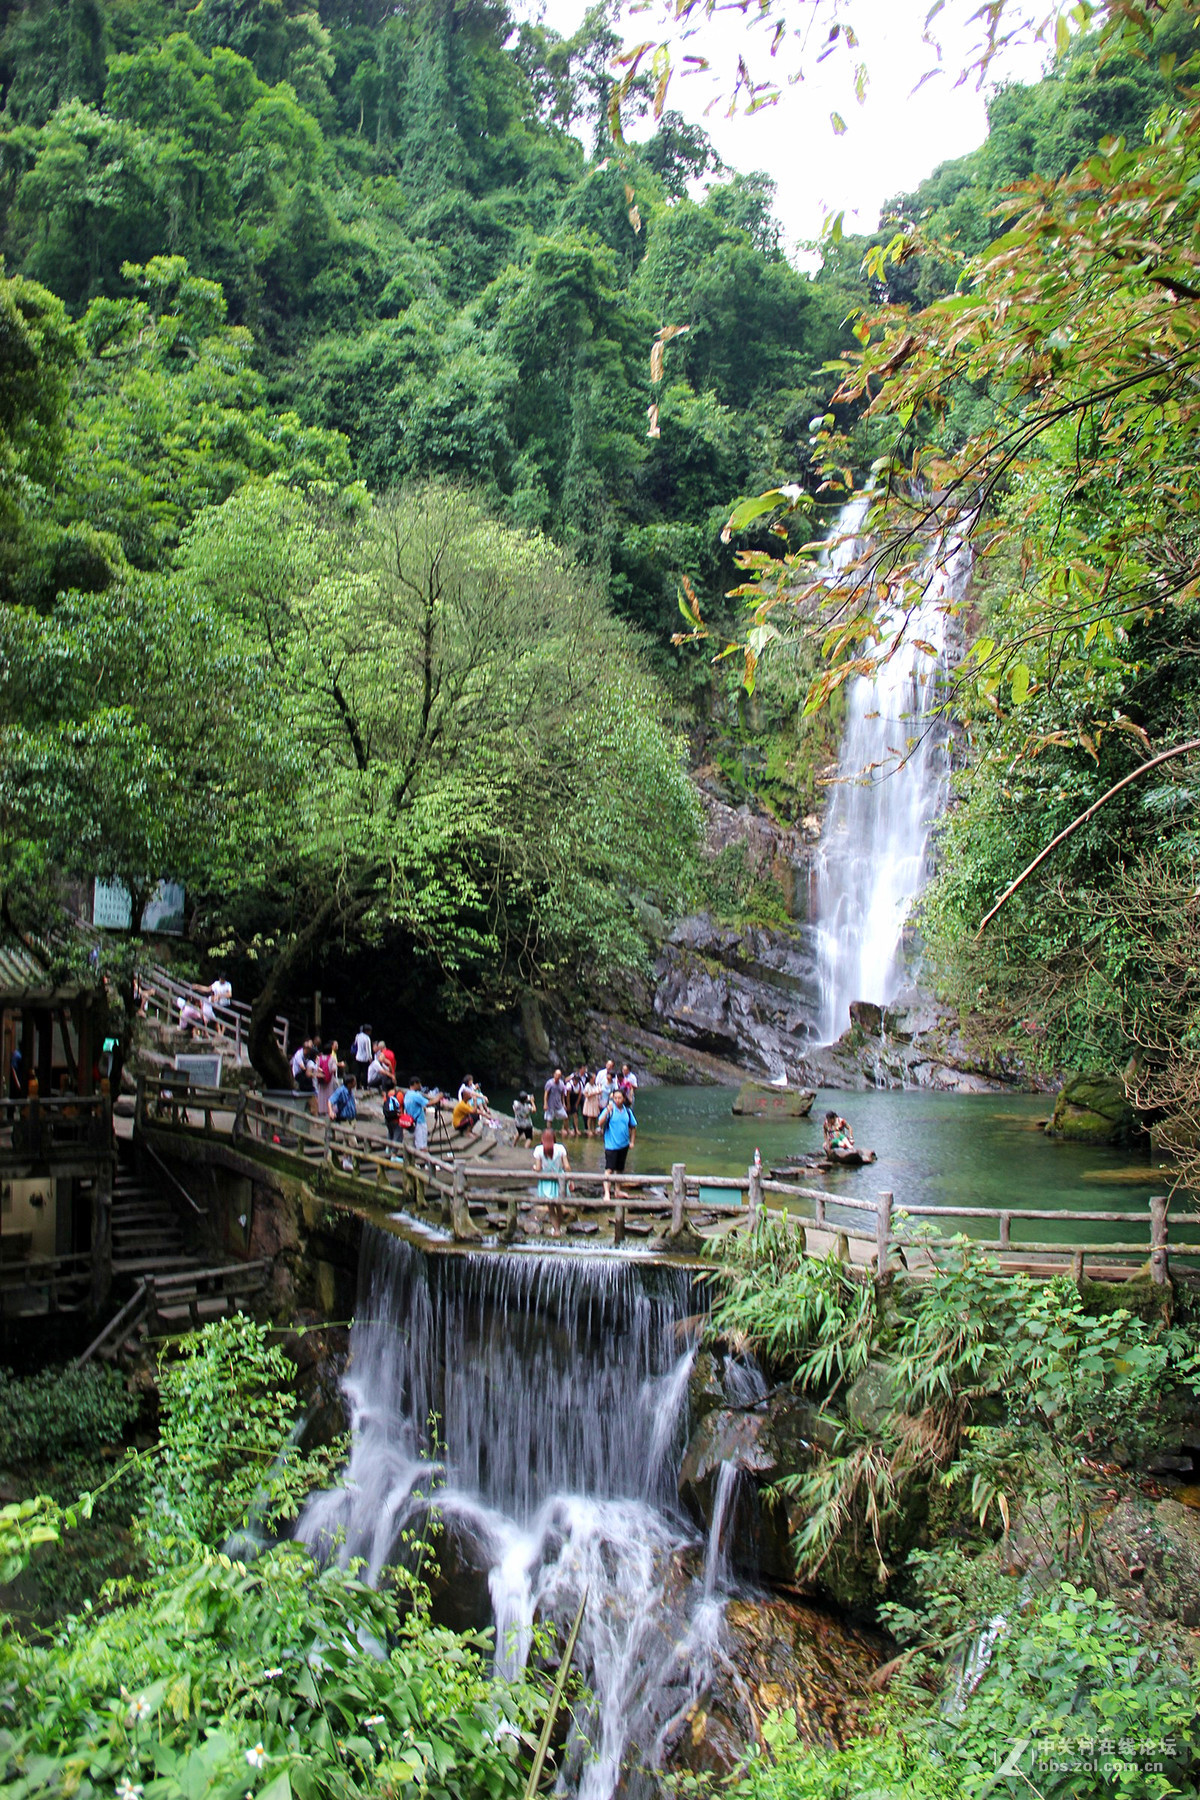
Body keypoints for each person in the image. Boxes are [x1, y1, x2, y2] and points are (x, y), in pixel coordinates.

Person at [598, 1086, 637, 1194]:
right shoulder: (609, 1110)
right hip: (611, 1145)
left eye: (619, 1098)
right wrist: (607, 1111)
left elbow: (633, 1127)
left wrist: (632, 1142)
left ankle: (617, 1190)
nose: (617, 1100)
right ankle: (606, 1192)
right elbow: (600, 1123)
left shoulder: (628, 1111)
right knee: (609, 1169)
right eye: (615, 1098)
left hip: (624, 1145)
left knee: (619, 1169)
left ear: (624, 1098)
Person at [533, 1127, 572, 1234]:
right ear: (554, 1138)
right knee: (559, 1205)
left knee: (551, 1208)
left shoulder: (539, 1150)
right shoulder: (560, 1148)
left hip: (546, 1181)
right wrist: (570, 1180)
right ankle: (559, 1227)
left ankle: (556, 1230)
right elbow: (567, 1166)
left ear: (542, 1139)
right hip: (559, 1180)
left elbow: (538, 1169)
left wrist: (534, 1168)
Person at [314, 1040, 339, 1119]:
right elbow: (333, 1069)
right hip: (329, 1080)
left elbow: (316, 1068)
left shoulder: (319, 1058)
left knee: (321, 1094)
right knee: (329, 1094)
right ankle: (329, 1110)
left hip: (321, 1079)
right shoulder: (331, 1059)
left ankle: (321, 1109)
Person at [404, 1078, 430, 1152]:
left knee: (417, 1144)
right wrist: (438, 1098)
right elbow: (428, 1103)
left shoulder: (407, 1095)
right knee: (422, 1146)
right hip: (419, 1122)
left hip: (412, 1122)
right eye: (419, 1084)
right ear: (415, 1084)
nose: (420, 1086)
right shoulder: (416, 1095)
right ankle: (426, 1162)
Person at [352, 1024, 373, 1090]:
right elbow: (368, 1049)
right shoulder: (367, 1038)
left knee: (358, 1072)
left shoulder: (358, 1036)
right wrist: (370, 1058)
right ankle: (365, 1086)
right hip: (365, 1058)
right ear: (367, 1031)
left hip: (358, 1056)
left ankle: (358, 1085)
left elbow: (355, 1044)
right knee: (365, 1073)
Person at [564, 1068, 583, 1138]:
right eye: (575, 1080)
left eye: (577, 1080)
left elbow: (580, 1095)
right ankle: (566, 1128)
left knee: (575, 1115)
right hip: (568, 1100)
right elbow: (567, 1096)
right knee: (567, 1116)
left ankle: (576, 1129)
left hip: (575, 1101)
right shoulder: (569, 1085)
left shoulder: (580, 1085)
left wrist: (576, 1104)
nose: (576, 1081)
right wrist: (568, 1104)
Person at [582, 1069, 601, 1136]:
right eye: (593, 1078)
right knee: (590, 1116)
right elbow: (586, 1095)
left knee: (594, 1117)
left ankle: (593, 1129)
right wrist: (595, 1093)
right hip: (590, 1102)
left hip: (595, 1102)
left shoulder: (595, 1085)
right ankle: (589, 1129)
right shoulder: (587, 1085)